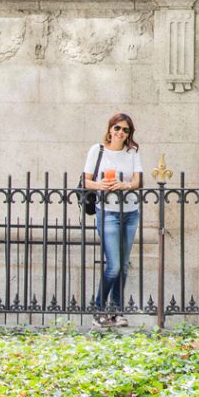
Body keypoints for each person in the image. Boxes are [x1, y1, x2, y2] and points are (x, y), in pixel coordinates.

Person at [82, 113, 143, 327]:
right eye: (117, 128)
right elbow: (86, 181)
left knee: (124, 265)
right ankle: (98, 309)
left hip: (130, 211)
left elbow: (137, 181)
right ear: (110, 129)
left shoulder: (132, 152)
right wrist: (102, 186)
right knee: (114, 266)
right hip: (107, 211)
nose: (120, 133)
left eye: (125, 130)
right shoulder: (97, 150)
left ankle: (117, 312)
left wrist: (124, 186)